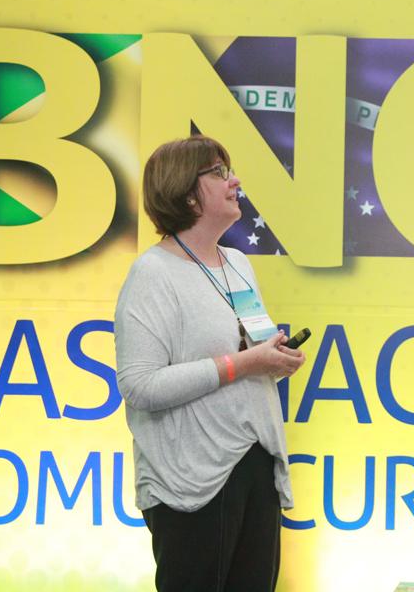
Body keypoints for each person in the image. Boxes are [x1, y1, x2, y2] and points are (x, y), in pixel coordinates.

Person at [115, 134, 306, 592]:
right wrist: (242, 364)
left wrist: (272, 358)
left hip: (255, 459)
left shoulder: (237, 263)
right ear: (185, 192)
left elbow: (246, 346)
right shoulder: (152, 273)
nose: (234, 180)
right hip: (190, 477)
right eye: (219, 173)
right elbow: (140, 385)